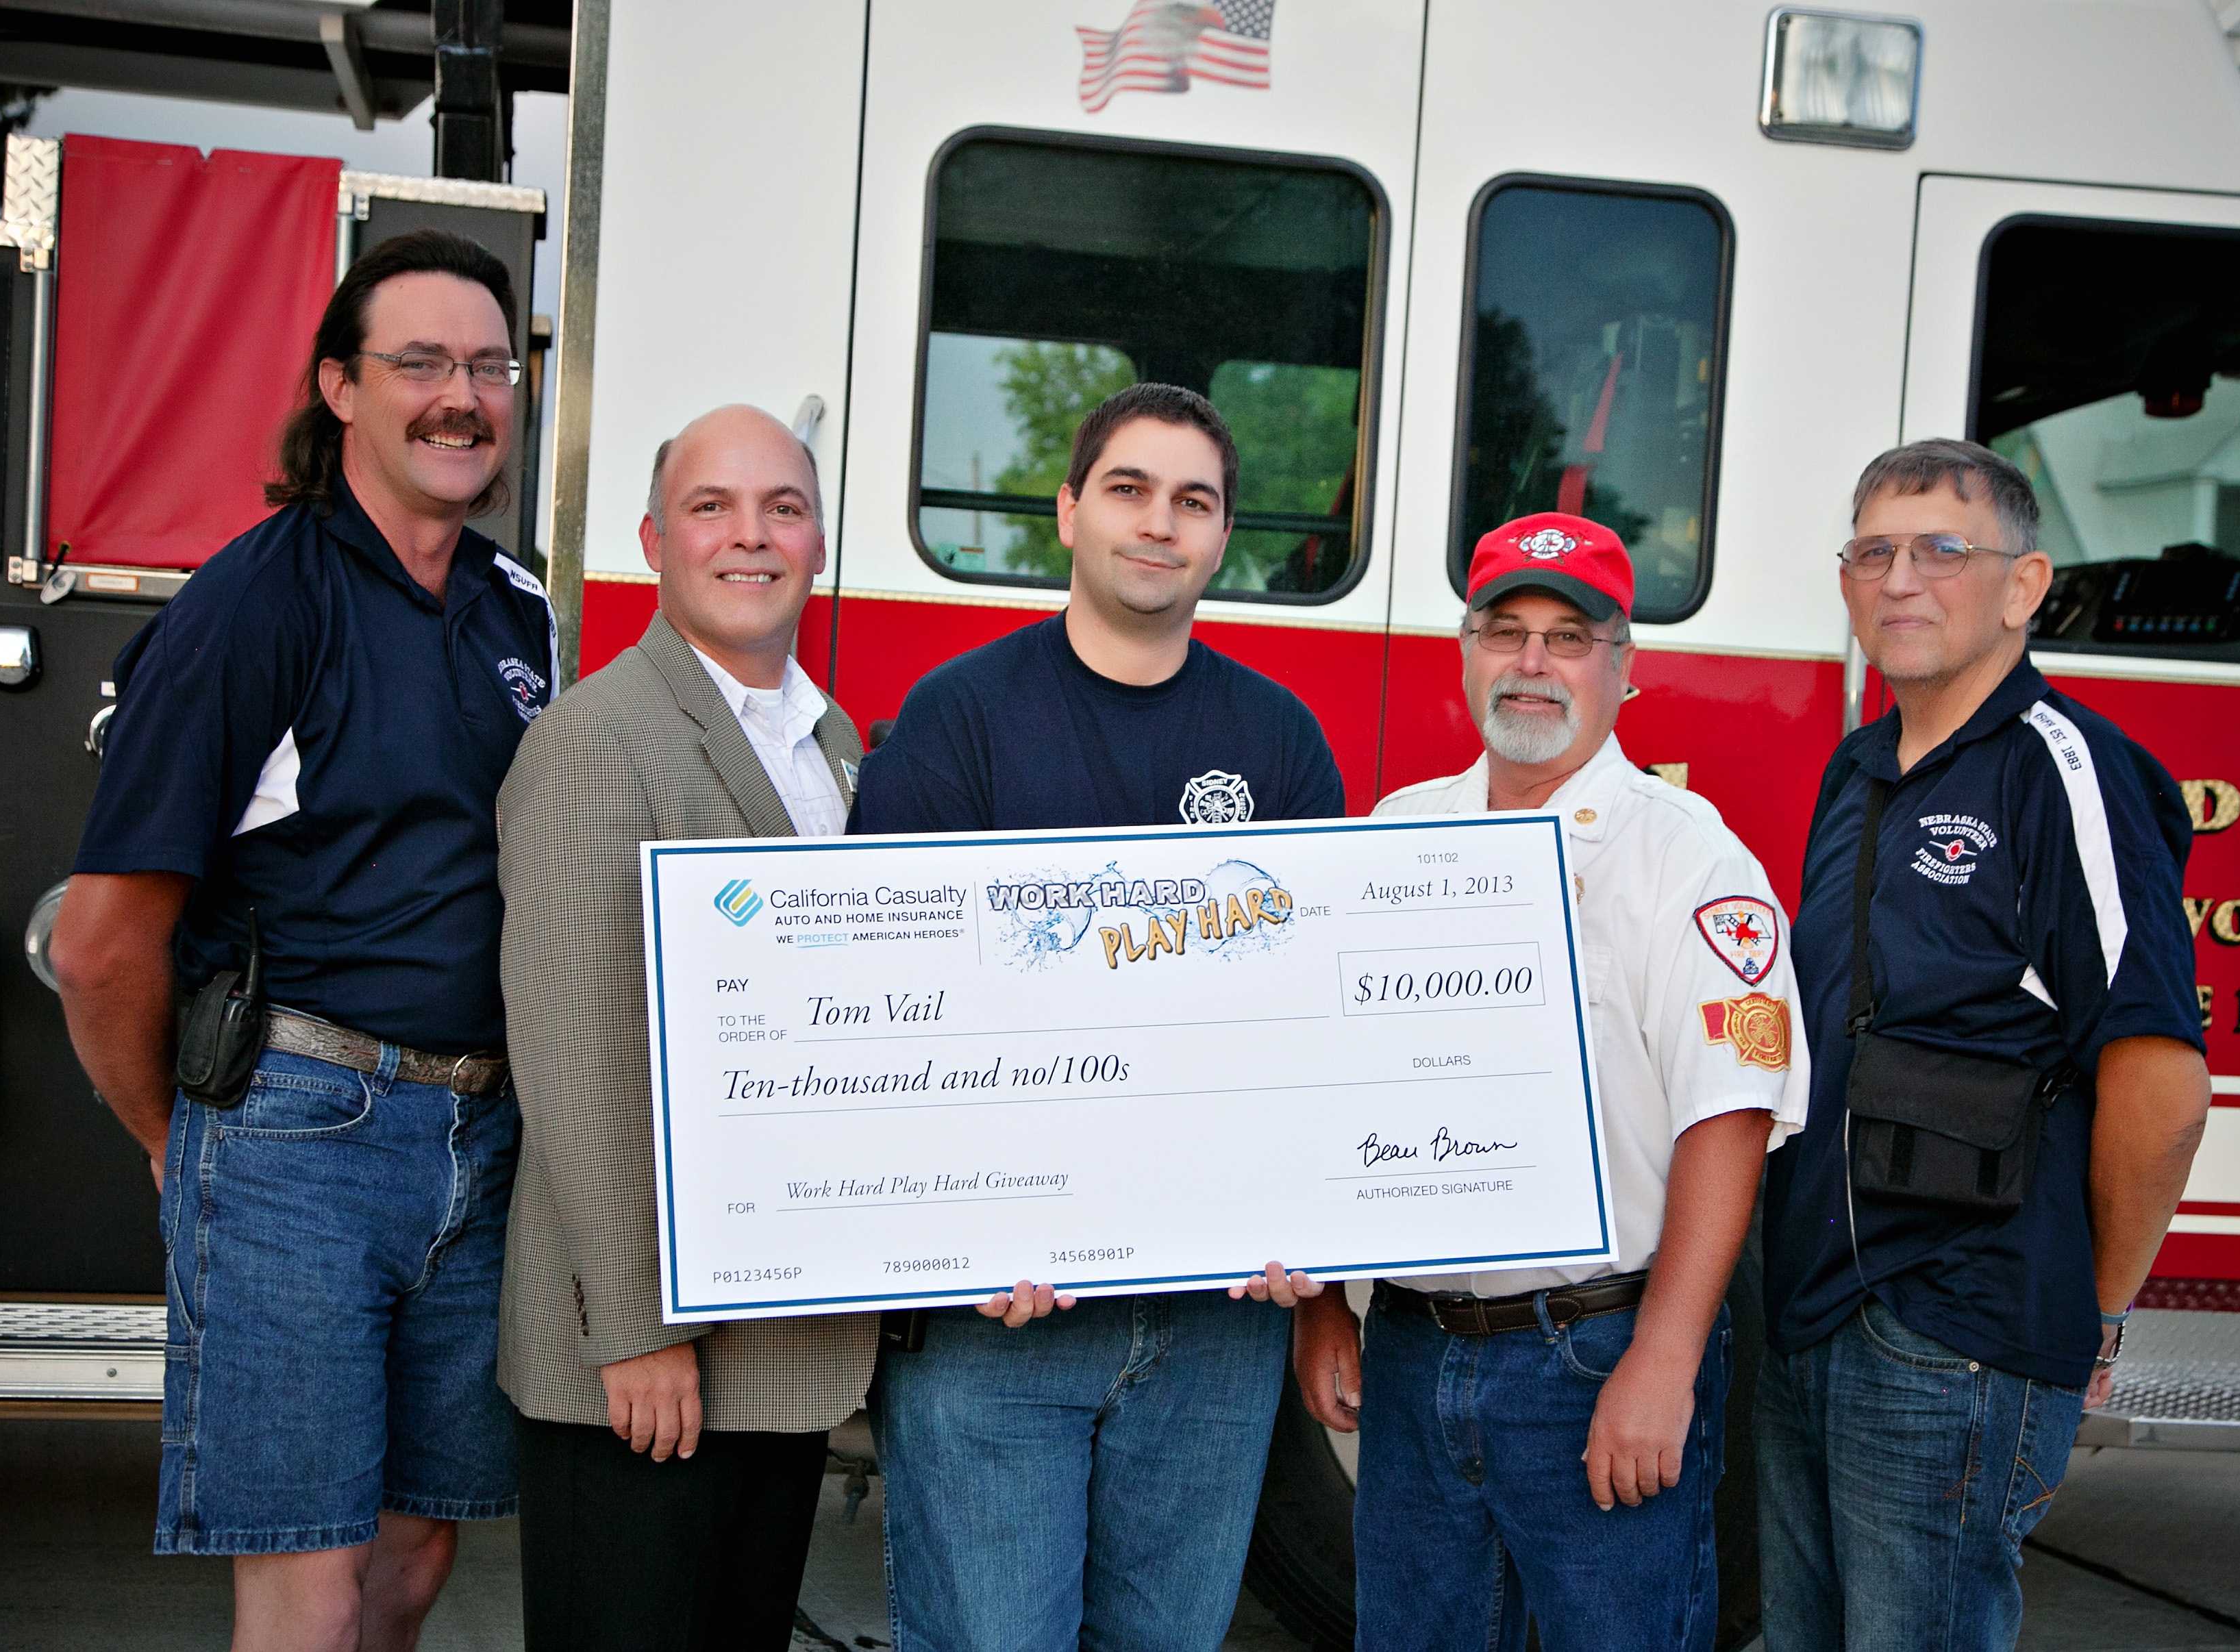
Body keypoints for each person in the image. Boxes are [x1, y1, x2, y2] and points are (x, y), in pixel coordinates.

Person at [51, 229, 552, 1651]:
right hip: (295, 1141)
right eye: (419, 364)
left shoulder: (520, 615)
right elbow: (100, 945)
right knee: (307, 1590)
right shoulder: (254, 601)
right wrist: (180, 1148)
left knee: (410, 1559)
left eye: (486, 367)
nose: (460, 397)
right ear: (339, 387)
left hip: (480, 1139)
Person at [846, 381, 1345, 1651]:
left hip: (1214, 1329)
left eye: (1193, 501)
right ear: (1069, 511)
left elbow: (1312, 1026)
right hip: (1003, 1319)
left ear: (1222, 538)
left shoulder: (1280, 744)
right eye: (1128, 489)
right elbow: (886, 1011)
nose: (1158, 524)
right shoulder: (957, 723)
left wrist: (1310, 1233)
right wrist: (955, 1236)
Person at [1292, 512, 1810, 1651]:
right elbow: (1336, 1085)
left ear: (1622, 670)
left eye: (1568, 636)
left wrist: (1662, 1366)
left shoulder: (1689, 856)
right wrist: (1326, 1307)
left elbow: (1728, 1121)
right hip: (1417, 1349)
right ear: (1467, 651)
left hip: (1591, 1352)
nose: (1531, 662)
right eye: (1504, 629)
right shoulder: (1397, 830)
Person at [1756, 439, 2211, 1651]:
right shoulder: (1855, 772)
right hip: (1811, 1319)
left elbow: (2159, 1080)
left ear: (2023, 587)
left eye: (1942, 550)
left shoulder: (2070, 771)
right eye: (1873, 552)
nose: (1900, 579)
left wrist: (2091, 1308)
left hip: (1953, 1337)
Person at [495, 405, 879, 1651]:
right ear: (656, 540)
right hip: (648, 1360)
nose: (750, 537)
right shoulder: (598, 739)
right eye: (713, 508)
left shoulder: (833, 744)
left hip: (773, 1356)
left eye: (782, 508)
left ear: (819, 542)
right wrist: (639, 1328)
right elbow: (575, 1060)